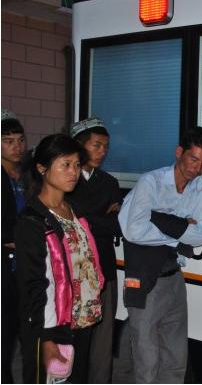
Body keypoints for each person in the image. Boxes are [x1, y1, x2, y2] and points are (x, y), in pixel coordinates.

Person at [118, 127, 202, 383]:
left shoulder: (201, 189)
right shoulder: (151, 182)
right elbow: (133, 231)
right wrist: (180, 230)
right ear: (179, 152)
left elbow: (198, 237)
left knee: (176, 357)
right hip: (145, 278)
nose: (197, 168)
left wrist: (158, 219)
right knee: (147, 358)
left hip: (174, 278)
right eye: (193, 159)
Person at [15, 134, 105, 383]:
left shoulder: (75, 211)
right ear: (42, 168)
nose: (73, 172)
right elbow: (34, 284)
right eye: (65, 164)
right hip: (51, 327)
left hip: (82, 320)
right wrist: (46, 338)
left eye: (76, 164)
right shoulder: (32, 220)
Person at [66, 118, 121, 383]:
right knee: (75, 337)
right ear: (79, 145)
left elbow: (116, 224)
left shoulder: (109, 182)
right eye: (96, 145)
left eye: (105, 147)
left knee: (103, 337)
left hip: (104, 267)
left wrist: (85, 219)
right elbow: (68, 223)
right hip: (74, 269)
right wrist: (99, 217)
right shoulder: (66, 180)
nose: (102, 152)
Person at [1, 110, 27, 383]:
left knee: (28, 334)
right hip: (4, 265)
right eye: (8, 141)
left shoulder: (27, 177)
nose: (16, 146)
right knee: (3, 337)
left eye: (20, 140)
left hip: (26, 265)